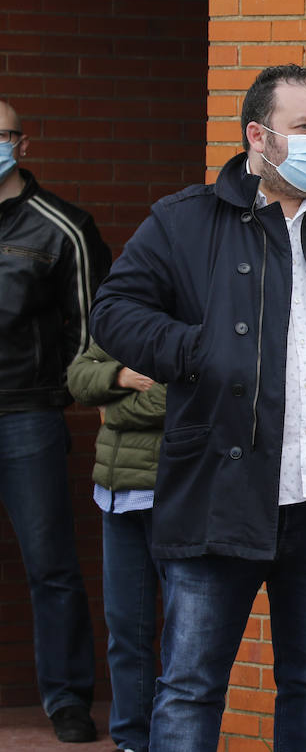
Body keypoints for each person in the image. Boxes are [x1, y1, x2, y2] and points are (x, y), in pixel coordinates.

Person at [87, 64, 306, 751]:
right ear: (259, 136)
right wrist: (196, 350)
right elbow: (114, 311)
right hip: (219, 495)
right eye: (305, 127)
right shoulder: (185, 220)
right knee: (189, 686)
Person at [0, 99, 108, 743]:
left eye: (2, 133)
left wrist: (59, 393)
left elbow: (94, 329)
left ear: (23, 142)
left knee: (51, 565)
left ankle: (67, 698)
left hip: (25, 418)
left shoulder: (61, 227)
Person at [67, 340, 166, 752]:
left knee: (186, 634)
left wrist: (112, 411)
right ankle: (130, 741)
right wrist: (118, 376)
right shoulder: (122, 309)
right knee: (126, 630)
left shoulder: (192, 298)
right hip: (115, 495)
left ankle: (174, 739)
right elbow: (77, 375)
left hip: (170, 495)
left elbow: (175, 397)